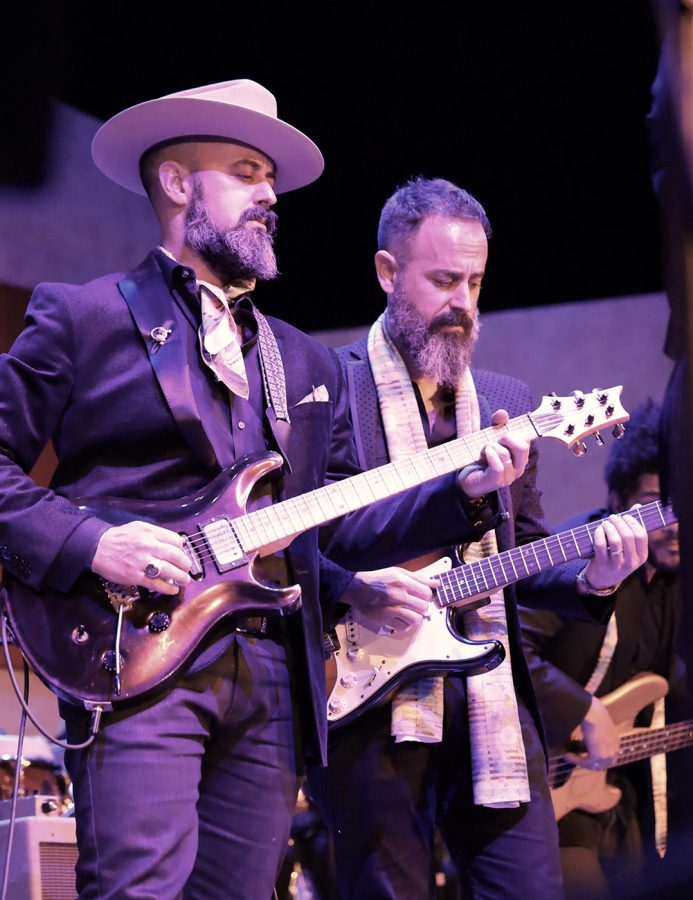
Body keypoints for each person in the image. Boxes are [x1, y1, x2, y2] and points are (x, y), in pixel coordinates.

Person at [0, 80, 547, 899]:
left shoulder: (305, 360)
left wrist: (464, 491)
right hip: (137, 652)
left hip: (269, 676)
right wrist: (93, 541)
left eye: (271, 182)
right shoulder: (84, 317)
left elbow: (336, 527)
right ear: (179, 183)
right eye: (248, 172)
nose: (269, 196)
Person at [307, 176, 648, 900]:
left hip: (491, 696)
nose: (461, 302)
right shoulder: (329, 386)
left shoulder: (505, 402)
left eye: (474, 281)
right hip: (367, 697)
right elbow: (317, 540)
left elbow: (519, 552)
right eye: (441, 280)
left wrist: (593, 578)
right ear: (386, 272)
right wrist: (453, 495)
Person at [520, 398, 685, 899]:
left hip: (614, 797)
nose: (673, 524)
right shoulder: (577, 550)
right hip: (546, 789)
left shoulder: (675, 584)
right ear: (618, 501)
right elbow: (508, 643)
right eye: (654, 507)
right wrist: (584, 710)